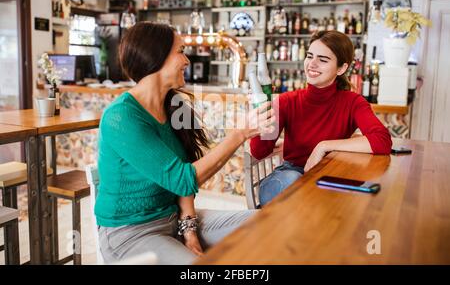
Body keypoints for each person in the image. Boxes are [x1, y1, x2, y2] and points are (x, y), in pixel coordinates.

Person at [95, 22, 274, 264]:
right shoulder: (121, 117)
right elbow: (183, 178)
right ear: (155, 58)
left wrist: (189, 231)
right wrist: (239, 134)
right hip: (130, 233)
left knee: (267, 224)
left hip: (174, 218)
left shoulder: (174, 106)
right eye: (180, 51)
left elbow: (183, 184)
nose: (187, 61)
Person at [250, 30, 392, 206]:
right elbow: (259, 152)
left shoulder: (353, 102)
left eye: (323, 60)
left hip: (327, 177)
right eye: (310, 56)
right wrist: (262, 115)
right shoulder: (286, 101)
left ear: (342, 68)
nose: (312, 64)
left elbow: (382, 141)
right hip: (286, 178)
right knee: (294, 179)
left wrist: (324, 146)